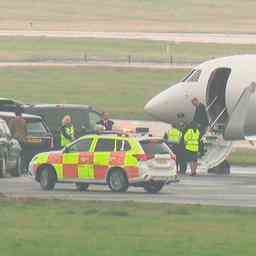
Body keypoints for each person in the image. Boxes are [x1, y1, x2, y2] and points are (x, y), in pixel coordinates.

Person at [9, 107, 27, 172]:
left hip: (15, 139)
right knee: (22, 154)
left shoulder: (12, 121)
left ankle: (16, 168)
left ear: (15, 114)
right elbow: (25, 131)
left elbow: (10, 130)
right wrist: (24, 137)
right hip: (23, 140)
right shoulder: (24, 121)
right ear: (21, 114)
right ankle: (22, 168)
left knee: (15, 154)